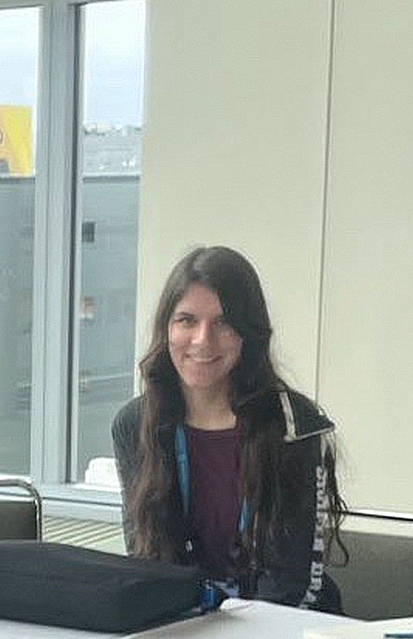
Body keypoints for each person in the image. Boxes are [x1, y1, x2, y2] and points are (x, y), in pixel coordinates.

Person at [112, 246, 345, 609]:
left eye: (223, 322)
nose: (203, 340)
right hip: (184, 621)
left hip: (281, 627)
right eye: (187, 320)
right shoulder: (134, 425)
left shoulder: (294, 425)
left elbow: (290, 586)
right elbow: (148, 559)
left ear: (248, 333)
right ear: (166, 329)